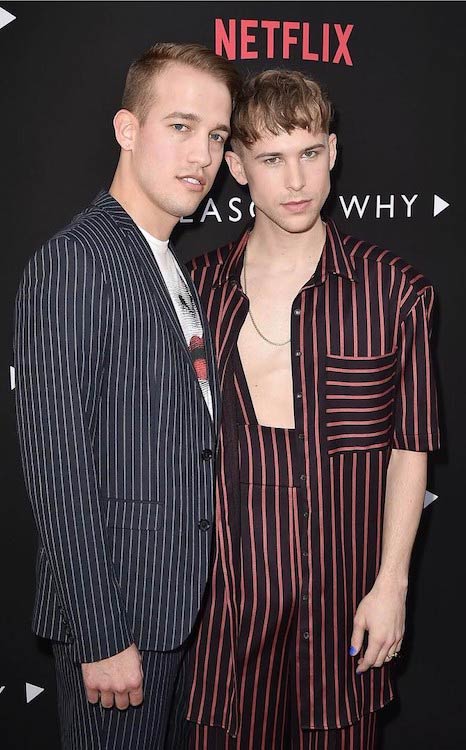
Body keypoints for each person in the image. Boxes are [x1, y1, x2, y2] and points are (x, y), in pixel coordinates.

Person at [183, 70, 440, 749]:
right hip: (228, 603)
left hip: (344, 606)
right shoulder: (195, 290)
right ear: (237, 167)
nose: (295, 181)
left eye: (309, 154)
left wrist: (392, 587)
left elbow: (409, 449)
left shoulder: (396, 292)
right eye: (271, 158)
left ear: (332, 153)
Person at [14, 42, 239, 749]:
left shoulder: (168, 263)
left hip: (181, 616)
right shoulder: (77, 259)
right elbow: (58, 466)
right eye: (180, 126)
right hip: (119, 630)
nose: (200, 155)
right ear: (127, 130)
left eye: (216, 136)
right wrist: (101, 634)